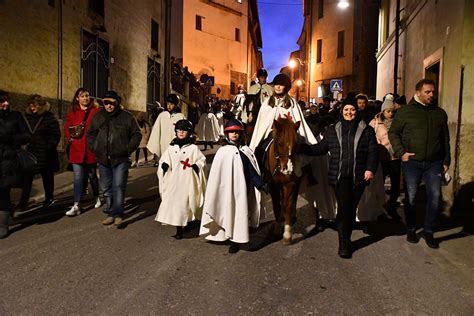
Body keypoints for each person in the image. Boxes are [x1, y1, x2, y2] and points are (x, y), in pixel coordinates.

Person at [299, 97, 378, 258]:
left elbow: (373, 151)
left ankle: (345, 239)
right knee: (344, 209)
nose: (349, 112)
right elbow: (320, 149)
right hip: (339, 176)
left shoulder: (367, 130)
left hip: (359, 176)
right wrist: (300, 147)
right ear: (342, 111)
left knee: (350, 209)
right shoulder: (333, 129)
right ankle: (344, 243)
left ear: (357, 111)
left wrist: (370, 169)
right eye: (346, 110)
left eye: (352, 110)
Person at [388, 79, 451, 249]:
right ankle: (411, 228)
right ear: (418, 93)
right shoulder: (405, 112)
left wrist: (446, 160)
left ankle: (428, 231)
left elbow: (445, 138)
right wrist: (401, 153)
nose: (431, 95)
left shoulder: (439, 113)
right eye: (428, 92)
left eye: (433, 92)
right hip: (412, 162)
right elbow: (393, 133)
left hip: (434, 163)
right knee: (411, 197)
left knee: (436, 198)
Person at [200, 120, 268, 253]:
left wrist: (260, 184)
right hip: (227, 190)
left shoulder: (245, 151)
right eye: (231, 132)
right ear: (227, 134)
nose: (234, 134)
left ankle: (236, 240)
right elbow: (217, 176)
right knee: (228, 211)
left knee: (240, 214)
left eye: (237, 132)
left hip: (243, 190)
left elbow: (251, 171)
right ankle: (227, 235)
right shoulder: (223, 152)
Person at [87, 90, 142, 226]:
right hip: (103, 159)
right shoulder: (98, 117)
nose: (109, 106)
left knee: (118, 186)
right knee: (106, 187)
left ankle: (117, 214)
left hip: (120, 159)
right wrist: (95, 148)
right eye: (106, 103)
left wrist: (127, 149)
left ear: (117, 103)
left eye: (112, 103)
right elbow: (90, 134)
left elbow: (136, 134)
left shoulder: (127, 117)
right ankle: (111, 211)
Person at [249, 73, 317, 173]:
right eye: (276, 84)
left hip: (289, 134)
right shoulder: (267, 103)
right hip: (272, 134)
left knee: (302, 150)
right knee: (260, 149)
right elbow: (262, 125)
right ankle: (260, 174)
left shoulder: (292, 103)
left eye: (281, 85)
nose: (278, 87)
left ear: (287, 87)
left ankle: (308, 174)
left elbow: (298, 122)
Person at [155, 119, 206, 239]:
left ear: (189, 132)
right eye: (179, 130)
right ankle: (178, 229)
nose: (181, 133)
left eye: (184, 131)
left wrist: (197, 166)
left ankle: (189, 222)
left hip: (187, 182)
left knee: (186, 204)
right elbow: (164, 159)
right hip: (174, 182)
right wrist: (164, 165)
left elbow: (201, 161)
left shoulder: (193, 148)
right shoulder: (172, 148)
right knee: (176, 205)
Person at [18, 95, 61, 210]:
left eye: (35, 105)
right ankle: (23, 202)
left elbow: (56, 135)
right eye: (31, 105)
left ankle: (49, 199)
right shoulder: (26, 118)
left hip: (46, 153)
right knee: (27, 178)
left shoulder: (49, 118)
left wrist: (48, 147)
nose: (33, 108)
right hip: (31, 153)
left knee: (47, 177)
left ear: (41, 106)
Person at [64, 88, 101, 216]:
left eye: (87, 96)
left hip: (90, 149)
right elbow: (67, 127)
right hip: (76, 149)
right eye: (82, 96)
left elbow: (101, 127)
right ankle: (77, 204)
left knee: (92, 176)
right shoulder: (72, 112)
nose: (85, 98)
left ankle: (96, 196)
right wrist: (70, 137)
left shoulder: (96, 111)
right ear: (77, 98)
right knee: (78, 177)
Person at [0, 90, 30, 238]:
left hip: (8, 161)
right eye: (2, 101)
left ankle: (3, 225)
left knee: (4, 192)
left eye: (7, 100)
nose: (6, 104)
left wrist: (11, 139)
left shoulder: (15, 116)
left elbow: (27, 136)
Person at [369, 93, 401, 220]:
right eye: (388, 111)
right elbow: (370, 138)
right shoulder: (375, 122)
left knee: (395, 185)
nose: (391, 114)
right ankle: (378, 206)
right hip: (381, 158)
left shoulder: (397, 122)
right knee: (378, 184)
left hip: (395, 157)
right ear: (383, 111)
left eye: (392, 111)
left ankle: (392, 207)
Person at [147, 94, 185, 162]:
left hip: (177, 146)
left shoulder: (180, 117)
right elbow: (156, 131)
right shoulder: (162, 116)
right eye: (168, 104)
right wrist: (155, 145)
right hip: (164, 145)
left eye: (171, 104)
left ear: (175, 105)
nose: (169, 106)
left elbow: (185, 132)